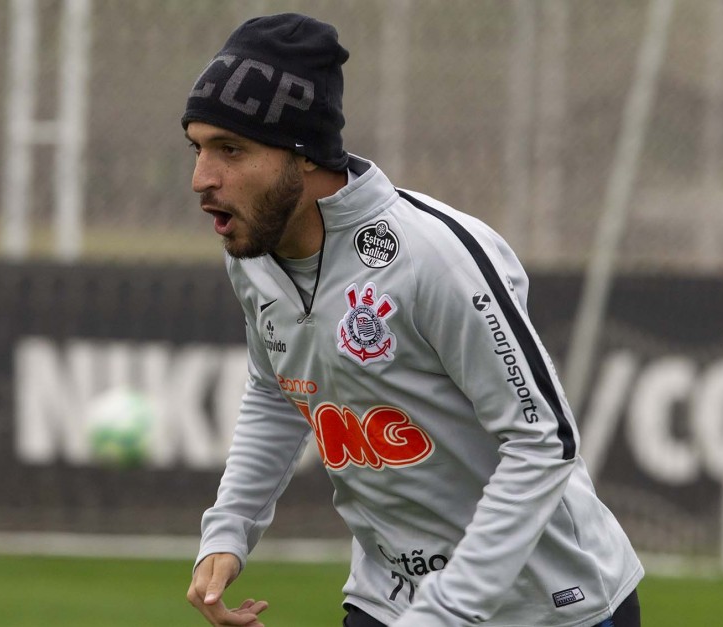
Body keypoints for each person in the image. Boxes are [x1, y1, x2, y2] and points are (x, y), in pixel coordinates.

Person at [183, 12, 643, 627]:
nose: (201, 179)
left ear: (302, 155)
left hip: (550, 609)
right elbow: (277, 389)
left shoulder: (433, 255)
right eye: (198, 147)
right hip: (389, 600)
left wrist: (450, 610)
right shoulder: (253, 253)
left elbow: (541, 442)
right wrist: (228, 531)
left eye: (229, 149)